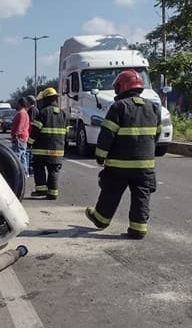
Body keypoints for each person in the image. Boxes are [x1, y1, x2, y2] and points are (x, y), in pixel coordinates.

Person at [85, 69, 161, 239]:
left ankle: (101, 219)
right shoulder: (154, 108)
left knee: (110, 192)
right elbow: (155, 136)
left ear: (122, 87)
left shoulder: (119, 107)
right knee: (142, 196)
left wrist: (100, 156)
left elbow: (107, 134)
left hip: (118, 165)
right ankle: (138, 229)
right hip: (145, 166)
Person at [28, 87, 67, 200]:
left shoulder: (43, 112)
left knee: (38, 167)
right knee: (53, 170)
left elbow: (36, 130)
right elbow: (67, 132)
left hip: (42, 150)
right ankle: (53, 193)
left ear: (47, 99)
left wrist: (29, 143)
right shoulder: (63, 114)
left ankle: (41, 190)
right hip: (58, 149)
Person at [10, 98, 30, 177]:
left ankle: (18, 173)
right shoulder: (24, 113)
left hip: (20, 138)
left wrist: (16, 135)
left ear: (20, 104)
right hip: (23, 137)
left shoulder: (21, 113)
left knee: (17, 156)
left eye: (17, 103)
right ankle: (24, 173)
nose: (16, 105)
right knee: (22, 156)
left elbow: (20, 125)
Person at [24, 95, 38, 174]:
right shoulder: (34, 110)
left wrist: (30, 135)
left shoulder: (32, 110)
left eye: (27, 101)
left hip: (31, 134)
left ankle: (30, 168)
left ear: (29, 102)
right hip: (33, 134)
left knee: (29, 152)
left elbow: (31, 123)